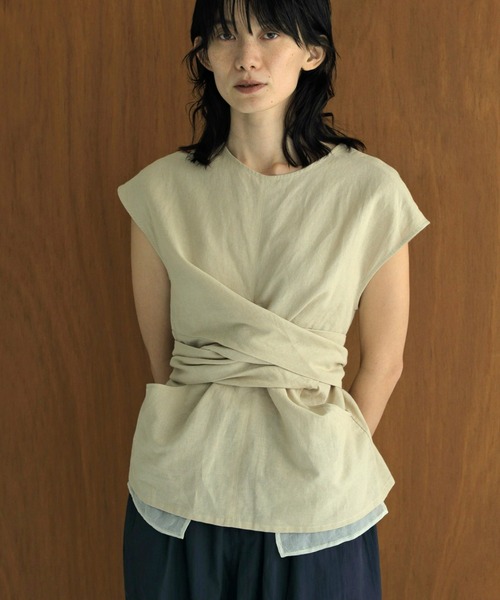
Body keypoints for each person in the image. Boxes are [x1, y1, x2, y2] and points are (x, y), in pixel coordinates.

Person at [117, 0, 430, 598]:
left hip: (318, 498)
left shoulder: (371, 192)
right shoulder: (159, 191)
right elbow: (164, 365)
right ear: (205, 54)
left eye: (269, 33)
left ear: (313, 52)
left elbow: (385, 363)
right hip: (181, 492)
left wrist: (330, 455)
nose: (247, 57)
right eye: (225, 35)